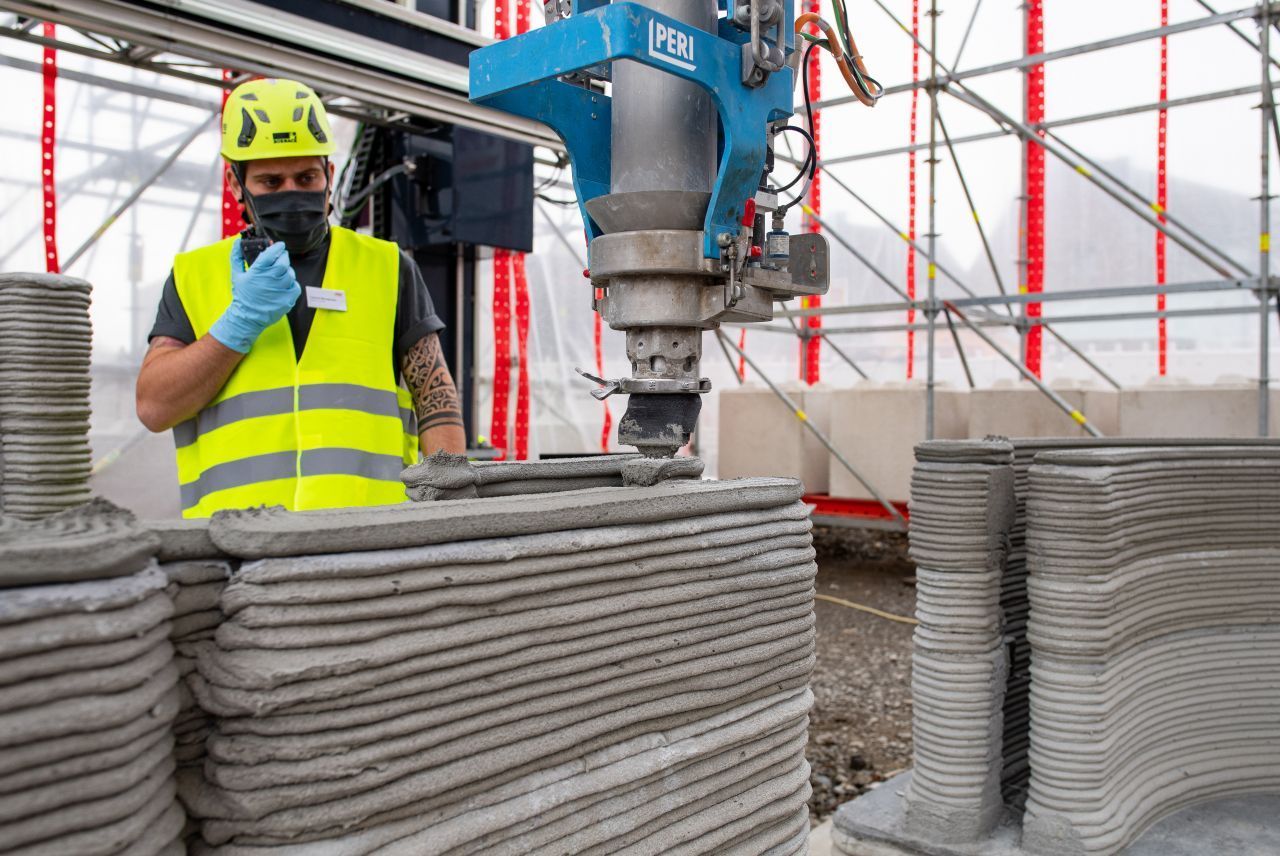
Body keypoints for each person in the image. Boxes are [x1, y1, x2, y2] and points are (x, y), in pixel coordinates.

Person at [136, 78, 466, 518]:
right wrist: (237, 326)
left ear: (329, 174)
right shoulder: (194, 275)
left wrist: (445, 506)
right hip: (237, 539)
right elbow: (155, 407)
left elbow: (435, 398)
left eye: (306, 176)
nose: (292, 192)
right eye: (271, 181)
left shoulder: (387, 266)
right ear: (237, 184)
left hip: (371, 534)